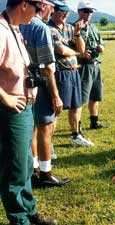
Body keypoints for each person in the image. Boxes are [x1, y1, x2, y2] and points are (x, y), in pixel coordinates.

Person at [0, 0, 58, 224]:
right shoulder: (2, 30)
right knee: (14, 169)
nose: (40, 12)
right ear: (24, 4)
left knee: (24, 164)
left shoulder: (14, 28)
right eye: (37, 7)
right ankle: (20, 219)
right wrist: (5, 97)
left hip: (25, 107)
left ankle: (29, 212)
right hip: (11, 112)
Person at [20, 0, 70, 187]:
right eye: (51, 6)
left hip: (23, 83)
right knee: (46, 127)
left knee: (32, 129)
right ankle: (46, 173)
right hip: (40, 84)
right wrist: (56, 95)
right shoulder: (40, 27)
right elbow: (48, 68)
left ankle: (33, 169)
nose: (52, 10)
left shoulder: (18, 24)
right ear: (44, 5)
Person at [48, 1, 94, 146]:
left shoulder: (70, 28)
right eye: (62, 11)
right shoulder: (49, 29)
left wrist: (77, 33)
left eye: (67, 11)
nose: (66, 14)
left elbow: (81, 48)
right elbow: (61, 50)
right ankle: (48, 143)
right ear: (53, 11)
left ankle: (75, 136)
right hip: (60, 73)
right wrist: (78, 55)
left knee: (76, 106)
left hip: (74, 71)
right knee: (56, 110)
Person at [76, 0, 107, 130]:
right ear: (79, 12)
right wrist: (80, 54)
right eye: (86, 11)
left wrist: (101, 48)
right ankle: (77, 127)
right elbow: (70, 49)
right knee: (81, 99)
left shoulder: (94, 27)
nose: (89, 14)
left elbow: (102, 44)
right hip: (84, 66)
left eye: (91, 12)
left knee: (95, 96)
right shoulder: (74, 28)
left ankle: (94, 122)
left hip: (96, 65)